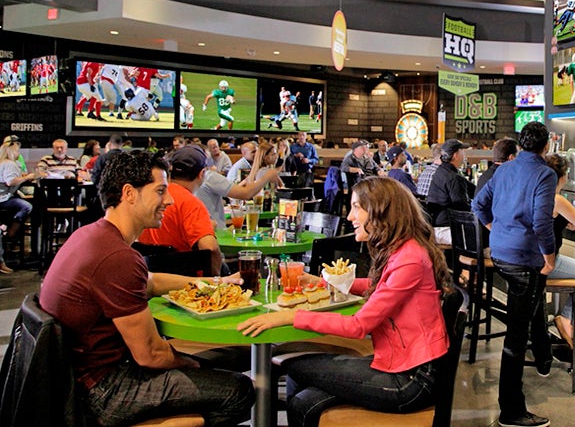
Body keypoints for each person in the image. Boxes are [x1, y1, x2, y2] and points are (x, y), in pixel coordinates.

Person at [39, 150, 254, 426]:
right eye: (161, 191)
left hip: (79, 377)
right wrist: (194, 365)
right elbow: (151, 354)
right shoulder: (117, 258)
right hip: (104, 390)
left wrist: (216, 283)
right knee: (239, 391)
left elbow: (151, 282)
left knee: (233, 358)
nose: (170, 199)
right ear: (129, 193)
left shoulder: (91, 235)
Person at [237, 176, 451, 427]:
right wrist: (324, 282)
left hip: (411, 380)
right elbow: (379, 287)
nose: (349, 217)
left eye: (356, 207)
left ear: (381, 211)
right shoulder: (404, 250)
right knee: (304, 401)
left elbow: (358, 326)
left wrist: (289, 316)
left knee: (295, 367)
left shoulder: (409, 258)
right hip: (401, 364)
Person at [472, 122, 557, 427]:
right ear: (546, 146)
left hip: (501, 255)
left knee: (525, 318)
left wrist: (495, 228)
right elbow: (542, 222)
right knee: (516, 336)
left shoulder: (504, 170)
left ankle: (544, 359)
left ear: (521, 144)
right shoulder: (545, 174)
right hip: (524, 258)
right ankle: (511, 410)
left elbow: (477, 204)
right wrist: (550, 257)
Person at [137, 145, 225, 275]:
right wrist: (217, 280)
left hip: (149, 277)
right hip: (187, 282)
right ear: (201, 174)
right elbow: (210, 249)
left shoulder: (149, 196)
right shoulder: (191, 204)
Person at [543, 154, 575, 351]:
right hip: (548, 263)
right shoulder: (557, 199)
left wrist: (566, 220)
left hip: (527, 262)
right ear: (562, 177)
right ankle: (567, 318)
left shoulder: (536, 193)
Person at [0, 135, 42, 272]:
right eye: (17, 150)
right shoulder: (9, 163)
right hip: (3, 199)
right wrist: (28, 177)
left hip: (6, 197)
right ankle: (12, 231)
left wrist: (23, 177)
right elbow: (10, 181)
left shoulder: (5, 162)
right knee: (26, 206)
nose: (19, 153)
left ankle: (7, 228)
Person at [426, 139, 473, 241]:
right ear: (455, 155)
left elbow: (471, 188)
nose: (464, 155)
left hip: (436, 225)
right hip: (447, 229)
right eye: (462, 151)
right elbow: (463, 210)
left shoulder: (441, 171)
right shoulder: (453, 178)